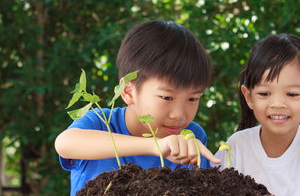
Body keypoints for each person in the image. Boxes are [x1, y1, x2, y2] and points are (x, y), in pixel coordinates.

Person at [55, 20, 220, 196]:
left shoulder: (190, 137)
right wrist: (154, 145)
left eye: (193, 98)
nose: (179, 115)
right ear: (128, 91)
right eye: (166, 97)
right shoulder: (102, 123)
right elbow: (65, 143)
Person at [213, 34, 300, 196]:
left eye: (292, 94)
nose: (277, 104)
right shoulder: (236, 146)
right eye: (264, 93)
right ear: (249, 97)